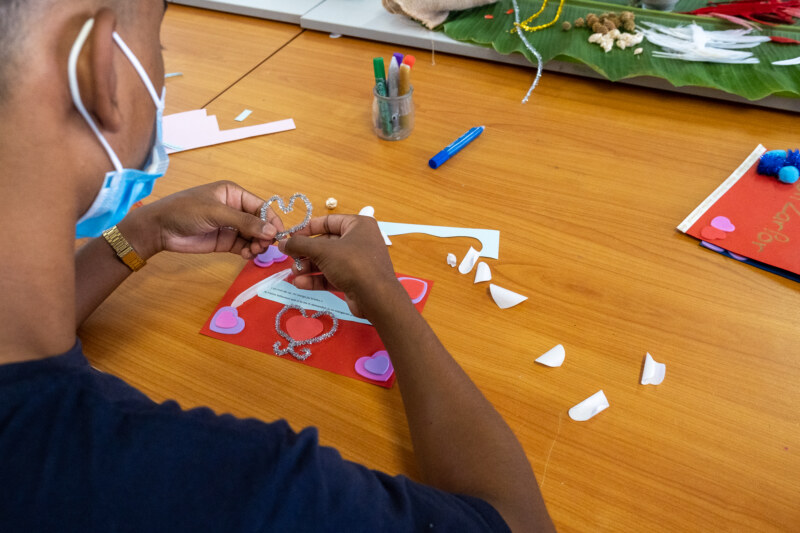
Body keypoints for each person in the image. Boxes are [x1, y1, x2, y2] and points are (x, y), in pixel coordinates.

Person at [0, 0, 554, 531]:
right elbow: (515, 522)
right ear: (98, 68)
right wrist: (386, 296)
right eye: (158, 39)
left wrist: (143, 232)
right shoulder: (240, 487)